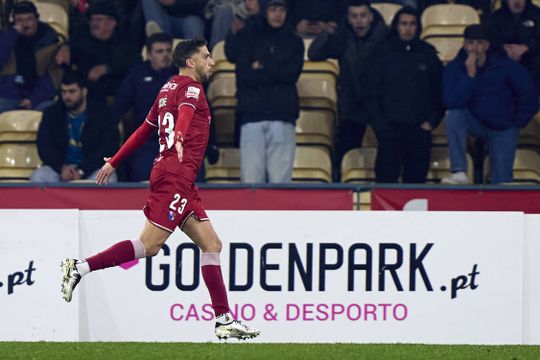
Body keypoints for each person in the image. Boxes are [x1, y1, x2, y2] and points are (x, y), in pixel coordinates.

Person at [60, 38, 260, 340]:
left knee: (212, 244)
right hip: (176, 175)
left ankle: (223, 320)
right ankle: (79, 267)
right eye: (206, 57)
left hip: (178, 177)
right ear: (190, 62)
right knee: (149, 246)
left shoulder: (167, 89)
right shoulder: (192, 88)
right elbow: (186, 114)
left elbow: (144, 129)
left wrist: (115, 161)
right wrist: (179, 136)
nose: (212, 62)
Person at [442, 24, 538, 184]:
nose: (475, 48)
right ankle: (459, 172)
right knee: (454, 116)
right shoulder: (455, 68)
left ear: (487, 45)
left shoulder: (506, 66)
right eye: (471, 43)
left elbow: (528, 94)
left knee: (502, 182)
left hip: (503, 125)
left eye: (479, 43)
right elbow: (451, 102)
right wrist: (469, 76)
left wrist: (517, 121)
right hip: (475, 121)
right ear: (464, 45)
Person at [308, 0, 388, 178]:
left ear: (371, 17)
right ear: (348, 18)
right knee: (345, 150)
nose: (359, 21)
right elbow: (314, 54)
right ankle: (342, 191)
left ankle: (386, 189)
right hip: (352, 102)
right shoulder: (341, 35)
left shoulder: (386, 36)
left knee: (389, 147)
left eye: (363, 15)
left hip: (381, 102)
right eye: (354, 16)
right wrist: (326, 35)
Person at [364, 6, 444, 183]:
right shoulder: (381, 53)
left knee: (416, 188)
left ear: (418, 27)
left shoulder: (428, 54)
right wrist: (381, 127)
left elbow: (439, 92)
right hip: (389, 131)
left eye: (412, 24)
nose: (408, 28)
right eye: (404, 24)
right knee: (385, 184)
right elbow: (370, 93)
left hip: (419, 132)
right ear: (396, 26)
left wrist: (431, 122)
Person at [234, 0, 304, 183]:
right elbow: (245, 75)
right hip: (252, 115)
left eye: (282, 9)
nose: (277, 14)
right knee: (250, 183)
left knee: (280, 185)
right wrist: (276, 68)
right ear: (265, 11)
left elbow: (291, 75)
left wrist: (262, 65)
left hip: (283, 115)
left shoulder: (295, 41)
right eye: (273, 9)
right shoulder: (247, 37)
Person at [30, 71, 119, 183]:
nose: (67, 96)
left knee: (108, 178)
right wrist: (61, 167)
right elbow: (44, 147)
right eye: (64, 92)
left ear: (84, 91)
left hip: (91, 168)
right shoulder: (51, 114)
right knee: (38, 177)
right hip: (60, 168)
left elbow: (109, 148)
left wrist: (82, 170)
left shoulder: (102, 114)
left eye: (72, 92)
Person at [111, 33, 177, 181]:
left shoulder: (183, 75)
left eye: (168, 51)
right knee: (141, 174)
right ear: (148, 54)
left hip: (177, 140)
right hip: (147, 140)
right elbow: (119, 107)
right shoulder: (137, 75)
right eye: (159, 51)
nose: (165, 55)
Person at [56, 1, 140, 97]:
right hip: (86, 94)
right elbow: (70, 46)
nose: (94, 24)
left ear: (112, 23)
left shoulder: (125, 41)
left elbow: (134, 64)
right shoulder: (83, 37)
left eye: (99, 20)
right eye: (92, 20)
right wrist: (64, 47)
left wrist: (108, 68)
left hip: (117, 94)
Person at [0, 1, 62, 112]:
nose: (24, 24)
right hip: (7, 97)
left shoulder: (50, 44)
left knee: (52, 111)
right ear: (13, 21)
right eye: (19, 20)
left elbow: (53, 79)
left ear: (36, 19)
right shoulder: (6, 39)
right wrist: (12, 34)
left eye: (29, 19)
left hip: (39, 100)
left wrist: (33, 99)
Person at [486, 0, 540, 90]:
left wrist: (526, 47)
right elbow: (490, 38)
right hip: (504, 58)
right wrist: (504, 48)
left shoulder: (537, 14)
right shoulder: (496, 17)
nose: (517, 2)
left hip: (532, 61)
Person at [142, 0, 207, 38]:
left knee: (192, 23)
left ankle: (195, 57)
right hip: (163, 19)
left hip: (190, 18)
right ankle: (159, 36)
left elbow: (201, 3)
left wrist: (175, 2)